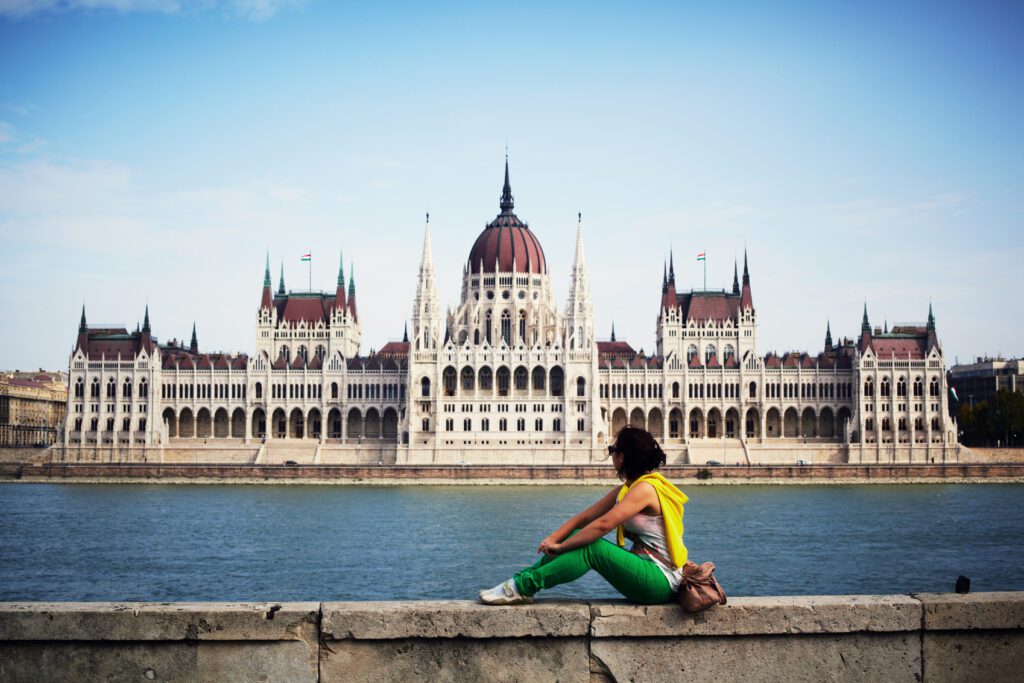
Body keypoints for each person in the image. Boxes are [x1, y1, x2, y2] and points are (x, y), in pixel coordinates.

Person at [479, 427, 688, 605]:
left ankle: (523, 587)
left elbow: (603, 525)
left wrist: (561, 547)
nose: (611, 455)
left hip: (662, 579)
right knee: (579, 535)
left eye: (613, 450)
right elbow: (585, 519)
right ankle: (518, 583)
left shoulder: (645, 489)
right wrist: (555, 538)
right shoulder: (628, 489)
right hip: (647, 573)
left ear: (622, 457)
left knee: (592, 546)